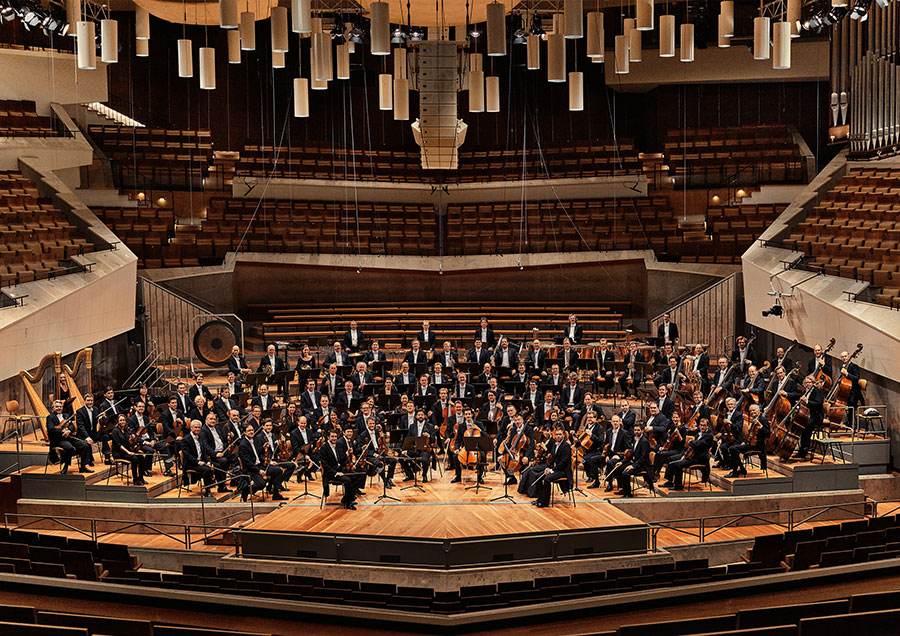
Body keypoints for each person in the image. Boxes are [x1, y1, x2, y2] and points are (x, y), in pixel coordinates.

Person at [662, 418, 714, 490]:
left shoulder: (709, 436)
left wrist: (690, 442)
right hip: (691, 455)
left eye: (704, 425)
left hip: (699, 458)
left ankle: (678, 485)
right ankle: (669, 481)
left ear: (707, 426)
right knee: (671, 458)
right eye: (701, 425)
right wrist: (685, 455)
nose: (702, 427)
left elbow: (697, 444)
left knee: (678, 464)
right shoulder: (698, 433)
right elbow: (693, 445)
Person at [47, 399, 93, 473]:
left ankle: (83, 467)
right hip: (59, 439)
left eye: (60, 407)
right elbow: (51, 429)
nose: (59, 408)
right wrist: (62, 432)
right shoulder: (50, 417)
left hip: (69, 437)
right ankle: (66, 466)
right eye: (57, 407)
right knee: (69, 448)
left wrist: (69, 431)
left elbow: (72, 426)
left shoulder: (66, 415)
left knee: (85, 445)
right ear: (53, 408)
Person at [727, 403, 770, 477]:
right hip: (751, 444)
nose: (752, 412)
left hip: (758, 445)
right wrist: (745, 442)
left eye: (754, 410)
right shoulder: (754, 420)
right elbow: (750, 435)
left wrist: (760, 426)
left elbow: (768, 434)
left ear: (759, 410)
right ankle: (741, 468)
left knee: (733, 449)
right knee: (732, 448)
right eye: (750, 411)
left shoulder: (763, 420)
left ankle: (737, 471)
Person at [536, 427, 573, 508]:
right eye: (556, 434)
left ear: (563, 435)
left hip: (563, 471)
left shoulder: (566, 446)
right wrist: (548, 468)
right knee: (538, 476)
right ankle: (540, 499)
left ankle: (544, 503)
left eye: (560, 434)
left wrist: (552, 470)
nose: (558, 436)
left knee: (547, 479)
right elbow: (552, 459)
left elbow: (563, 463)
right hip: (556, 469)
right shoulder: (554, 445)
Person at [449, 408, 486, 484]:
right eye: (466, 414)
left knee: (482, 455)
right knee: (455, 456)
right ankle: (458, 476)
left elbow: (485, 436)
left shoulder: (479, 424)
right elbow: (458, 440)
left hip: (477, 448)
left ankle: (480, 477)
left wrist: (479, 429)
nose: (468, 416)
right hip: (465, 448)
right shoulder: (461, 426)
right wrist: (456, 448)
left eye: (469, 414)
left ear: (472, 415)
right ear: (464, 416)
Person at [255, 420, 293, 493]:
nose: (269, 427)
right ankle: (276, 487)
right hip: (265, 462)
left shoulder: (273, 435)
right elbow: (259, 455)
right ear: (263, 426)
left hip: (275, 459)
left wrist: (282, 442)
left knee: (292, 465)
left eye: (270, 425)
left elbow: (276, 450)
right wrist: (270, 461)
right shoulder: (259, 438)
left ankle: (277, 484)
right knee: (277, 470)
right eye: (267, 425)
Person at [199, 413, 234, 493]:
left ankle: (233, 481)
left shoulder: (217, 427)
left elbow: (223, 439)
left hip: (222, 451)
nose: (213, 421)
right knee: (224, 461)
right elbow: (205, 445)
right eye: (211, 419)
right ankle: (221, 485)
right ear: (206, 420)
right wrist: (215, 454)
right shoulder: (203, 430)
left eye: (214, 419)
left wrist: (228, 435)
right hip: (212, 454)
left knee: (235, 457)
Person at [616, 425, 654, 497]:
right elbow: (631, 454)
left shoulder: (644, 442)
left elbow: (643, 458)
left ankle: (628, 494)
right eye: (635, 430)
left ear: (642, 431)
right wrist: (622, 462)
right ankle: (624, 489)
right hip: (635, 462)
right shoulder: (635, 439)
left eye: (638, 430)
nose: (636, 432)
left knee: (625, 473)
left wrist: (633, 466)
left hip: (642, 465)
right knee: (619, 468)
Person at [358, 418, 396, 488]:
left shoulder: (378, 432)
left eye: (373, 423)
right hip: (370, 455)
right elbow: (362, 448)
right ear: (367, 424)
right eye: (370, 423)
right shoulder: (363, 435)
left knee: (393, 460)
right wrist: (373, 454)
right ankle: (385, 481)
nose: (372, 425)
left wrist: (382, 438)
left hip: (380, 452)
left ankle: (389, 479)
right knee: (378, 463)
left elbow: (382, 443)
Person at [179, 420, 215, 496]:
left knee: (214, 465)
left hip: (200, 462)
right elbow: (187, 455)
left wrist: (207, 462)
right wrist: (198, 462)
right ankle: (208, 491)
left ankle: (213, 486)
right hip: (191, 463)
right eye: (195, 427)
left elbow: (204, 452)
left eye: (199, 428)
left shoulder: (200, 437)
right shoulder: (186, 439)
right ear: (191, 428)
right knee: (207, 470)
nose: (197, 429)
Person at [110, 413, 147, 485]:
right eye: (120, 420)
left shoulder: (126, 430)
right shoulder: (115, 431)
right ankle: (135, 479)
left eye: (124, 420)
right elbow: (118, 445)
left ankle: (141, 478)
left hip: (127, 451)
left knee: (141, 456)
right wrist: (128, 452)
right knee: (134, 458)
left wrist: (133, 438)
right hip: (119, 452)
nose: (122, 422)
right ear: (118, 421)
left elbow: (129, 441)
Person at [599, 415, 633, 491]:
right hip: (611, 454)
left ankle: (610, 484)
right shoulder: (608, 432)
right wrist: (607, 455)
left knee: (610, 463)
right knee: (594, 459)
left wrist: (619, 456)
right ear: (611, 422)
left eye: (617, 421)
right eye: (613, 421)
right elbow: (606, 445)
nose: (615, 423)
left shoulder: (625, 433)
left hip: (620, 456)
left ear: (620, 422)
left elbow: (629, 449)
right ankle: (595, 480)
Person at [797, 375, 825, 461]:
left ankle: (806, 448)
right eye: (805, 383)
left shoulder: (818, 392)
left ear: (813, 383)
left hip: (816, 415)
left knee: (807, 424)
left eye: (809, 383)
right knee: (800, 423)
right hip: (806, 414)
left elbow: (818, 404)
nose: (807, 384)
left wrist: (807, 401)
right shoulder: (804, 391)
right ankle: (801, 449)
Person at [401, 408, 433, 482]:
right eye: (419, 415)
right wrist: (405, 449)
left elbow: (433, 440)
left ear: (425, 416)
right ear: (416, 416)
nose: (420, 416)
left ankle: (424, 475)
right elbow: (409, 438)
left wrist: (429, 436)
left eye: (422, 415)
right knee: (402, 458)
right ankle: (410, 475)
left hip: (425, 449)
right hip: (414, 448)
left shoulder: (430, 426)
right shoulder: (412, 426)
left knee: (425, 459)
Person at [74, 393, 99, 466]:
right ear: (84, 401)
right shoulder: (79, 411)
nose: (90, 402)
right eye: (88, 400)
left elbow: (97, 421)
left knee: (105, 436)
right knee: (86, 442)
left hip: (93, 433)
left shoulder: (96, 409)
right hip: (83, 433)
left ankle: (107, 458)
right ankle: (90, 459)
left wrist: (103, 418)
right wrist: (87, 437)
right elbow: (81, 426)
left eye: (91, 400)